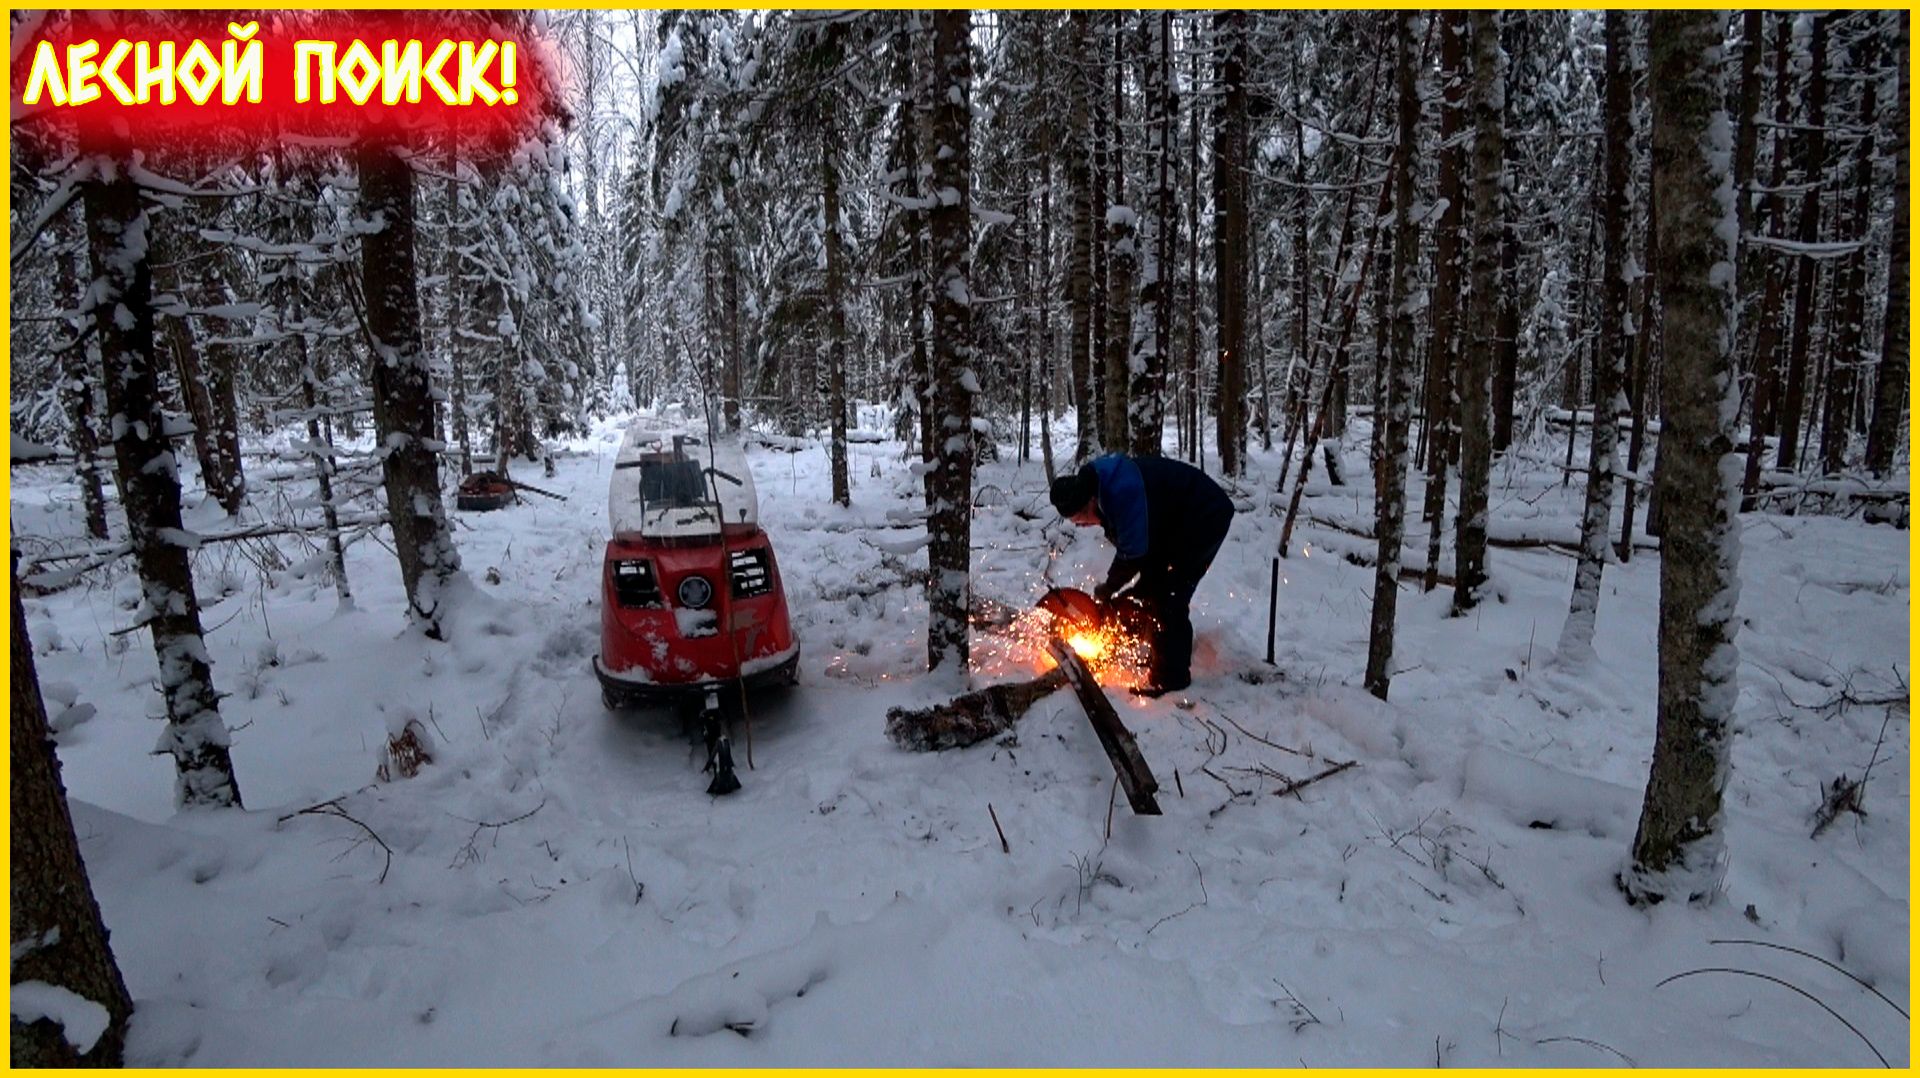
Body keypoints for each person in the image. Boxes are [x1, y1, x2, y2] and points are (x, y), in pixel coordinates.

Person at [1048, 453, 1234, 697]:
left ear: (1090, 502)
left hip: (1204, 517)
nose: (1080, 526)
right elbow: (1135, 547)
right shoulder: (1095, 484)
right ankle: (1151, 646)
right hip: (1168, 522)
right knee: (1149, 587)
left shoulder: (1121, 494)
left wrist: (1109, 588)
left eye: (1080, 520)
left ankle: (1170, 678)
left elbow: (1132, 554)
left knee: (1170, 596)